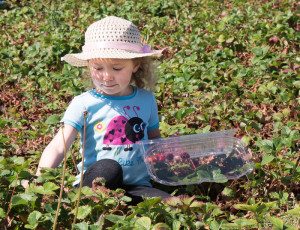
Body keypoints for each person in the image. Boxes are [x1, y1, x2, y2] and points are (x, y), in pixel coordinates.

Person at [33, 16, 170, 204]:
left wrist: (170, 158)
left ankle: (119, 201)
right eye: (98, 68)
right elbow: (59, 145)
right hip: (96, 182)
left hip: (136, 185)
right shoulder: (84, 103)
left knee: (168, 202)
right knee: (109, 167)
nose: (107, 77)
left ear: (135, 65)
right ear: (89, 65)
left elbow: (154, 140)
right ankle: (88, 201)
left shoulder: (146, 100)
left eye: (117, 68)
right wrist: (39, 181)